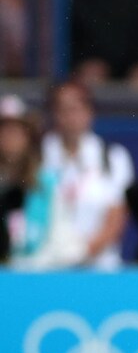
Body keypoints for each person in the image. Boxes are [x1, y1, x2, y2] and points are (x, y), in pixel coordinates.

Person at [41, 81, 134, 270]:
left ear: (90, 112)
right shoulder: (38, 155)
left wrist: (82, 254)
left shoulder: (112, 156)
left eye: (76, 108)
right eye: (62, 109)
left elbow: (117, 215)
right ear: (53, 114)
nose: (70, 116)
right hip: (46, 269)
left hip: (99, 269)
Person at [0, 95, 67, 269]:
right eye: (3, 131)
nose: (9, 138)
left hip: (37, 275)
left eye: (16, 131)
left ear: (28, 136)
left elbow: (59, 237)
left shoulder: (47, 183)